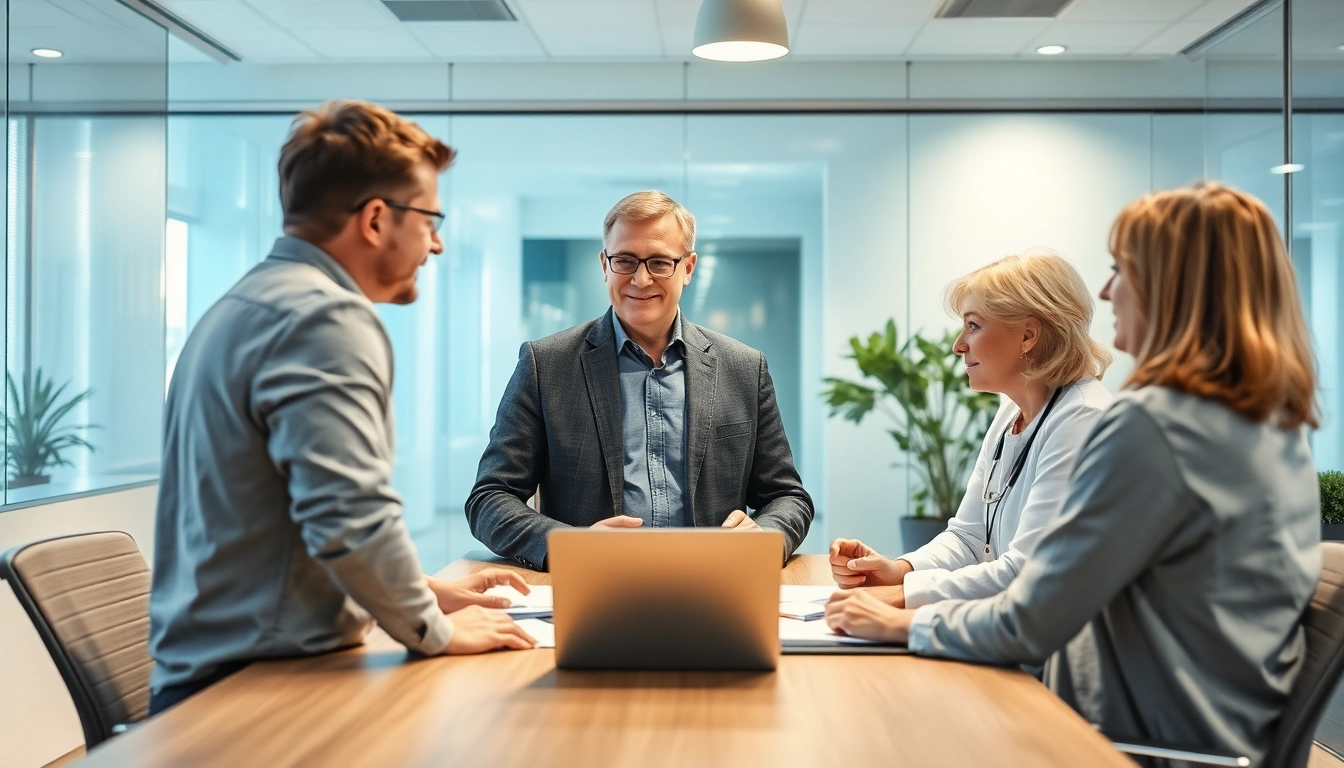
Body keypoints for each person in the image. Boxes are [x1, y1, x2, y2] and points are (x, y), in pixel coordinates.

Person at [825, 182, 1321, 764]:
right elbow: (994, 558)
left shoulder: (1152, 428)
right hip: (1202, 733)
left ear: (1173, 287)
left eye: (1121, 271)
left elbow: (1031, 616)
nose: (1107, 293)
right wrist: (903, 578)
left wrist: (900, 622)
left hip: (1133, 744)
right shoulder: (1270, 426)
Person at [149, 100, 535, 715]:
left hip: (224, 672)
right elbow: (347, 514)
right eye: (431, 219)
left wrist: (432, 592)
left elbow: (288, 517)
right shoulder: (326, 319)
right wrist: (433, 629)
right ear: (377, 219)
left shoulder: (244, 305)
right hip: (260, 694)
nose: (436, 244)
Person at [466, 190, 813, 569]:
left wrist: (762, 536)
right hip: (596, 585)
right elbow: (490, 498)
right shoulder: (546, 365)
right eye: (625, 260)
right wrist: (571, 546)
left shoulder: (744, 368)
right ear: (604, 264)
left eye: (661, 262)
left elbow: (787, 497)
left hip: (716, 580)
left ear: (689, 267)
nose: (641, 279)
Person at [830, 252, 1113, 610]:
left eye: (973, 326)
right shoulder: (1011, 413)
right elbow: (968, 537)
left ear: (1028, 335)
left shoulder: (1082, 419)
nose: (958, 344)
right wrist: (900, 570)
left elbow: (1027, 573)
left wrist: (901, 596)